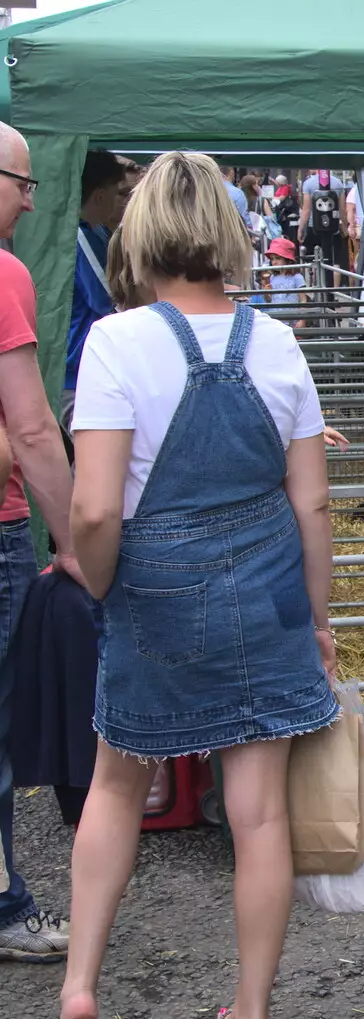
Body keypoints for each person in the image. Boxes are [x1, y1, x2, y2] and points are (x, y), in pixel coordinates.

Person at [57, 150, 339, 1019]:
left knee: (113, 786)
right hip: (266, 593)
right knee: (257, 817)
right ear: (228, 235)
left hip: (155, 591)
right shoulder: (279, 341)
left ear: (139, 236)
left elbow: (96, 507)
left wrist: (107, 587)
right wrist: (322, 620)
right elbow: (315, 500)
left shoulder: (114, 340)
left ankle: (80, 985)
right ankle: (249, 1012)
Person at [0, 119, 80, 966]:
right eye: (23, 181)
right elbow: (30, 426)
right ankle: (5, 904)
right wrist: (75, 542)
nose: (30, 197)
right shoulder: (5, 272)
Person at [64, 149, 124, 436]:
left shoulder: (93, 232)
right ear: (100, 195)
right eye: (118, 193)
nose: (120, 202)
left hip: (86, 374)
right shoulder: (80, 236)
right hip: (77, 379)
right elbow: (111, 300)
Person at [298, 169, 348, 283]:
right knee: (335, 261)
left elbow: (306, 209)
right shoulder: (338, 183)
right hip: (334, 227)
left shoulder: (308, 184)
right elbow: (342, 208)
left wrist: (300, 228)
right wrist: (344, 225)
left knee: (315, 260)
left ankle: (318, 289)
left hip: (313, 226)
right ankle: (333, 293)